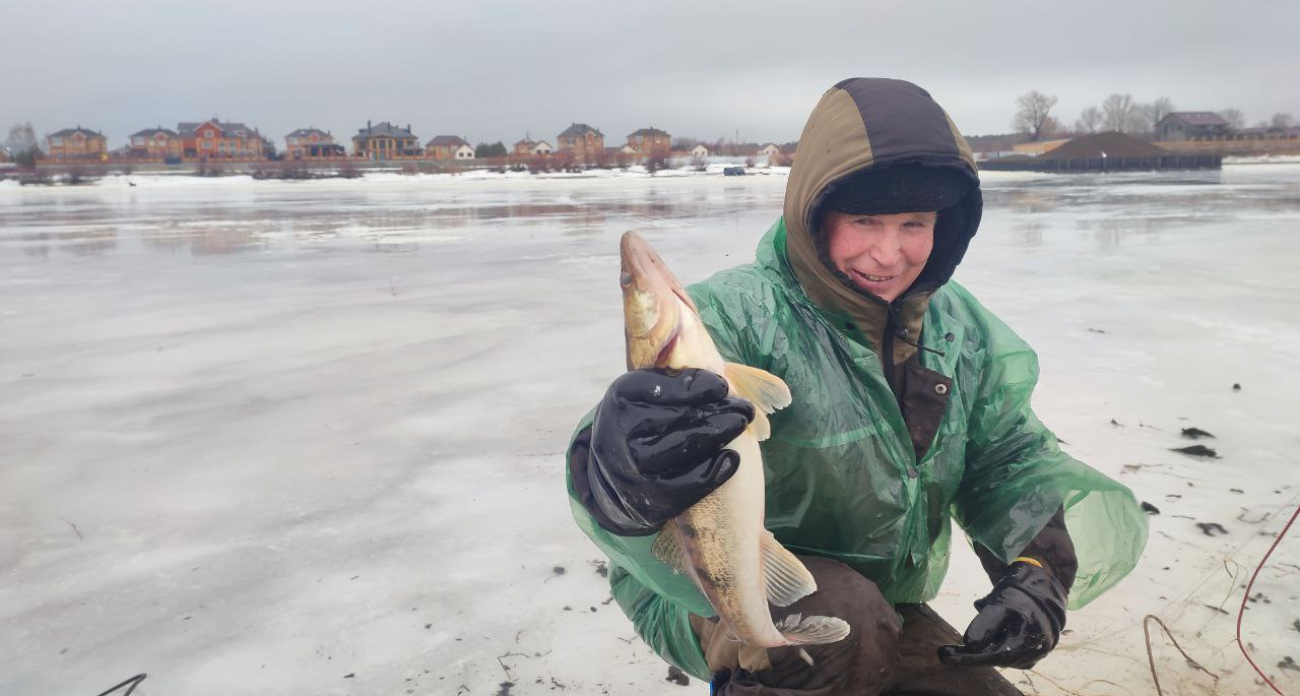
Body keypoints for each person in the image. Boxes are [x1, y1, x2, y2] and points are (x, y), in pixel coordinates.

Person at [566, 78, 1148, 695]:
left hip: (882, 600)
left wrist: (1039, 566)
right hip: (704, 588)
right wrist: (622, 477)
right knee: (842, 616)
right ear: (814, 217)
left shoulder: (956, 326)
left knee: (913, 653)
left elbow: (1008, 457)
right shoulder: (733, 316)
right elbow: (605, 459)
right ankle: (755, 666)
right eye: (865, 220)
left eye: (914, 223)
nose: (888, 254)